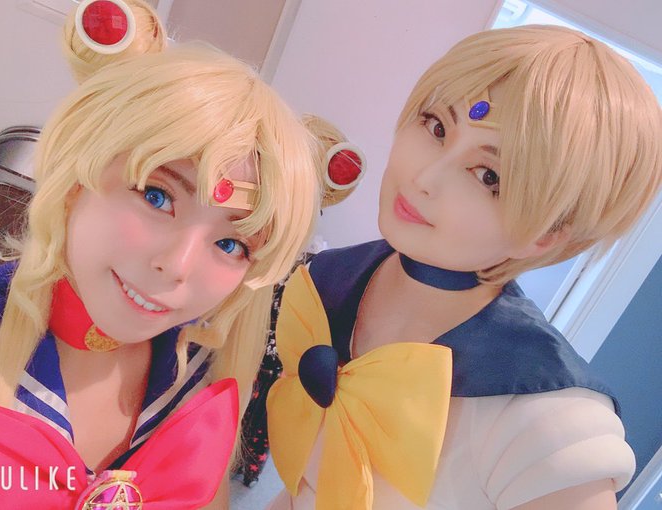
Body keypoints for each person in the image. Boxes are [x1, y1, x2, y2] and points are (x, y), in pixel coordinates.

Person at [265, 24, 662, 510]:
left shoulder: (551, 423)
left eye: (488, 175)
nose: (425, 177)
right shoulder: (326, 284)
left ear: (550, 233)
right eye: (436, 127)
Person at [0, 0, 318, 508]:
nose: (176, 266)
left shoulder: (197, 375)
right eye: (157, 197)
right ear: (76, 178)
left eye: (231, 244)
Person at [236, 114, 366, 486]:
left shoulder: (316, 263)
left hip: (276, 356)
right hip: (244, 337)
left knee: (261, 412)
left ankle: (247, 468)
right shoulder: (258, 237)